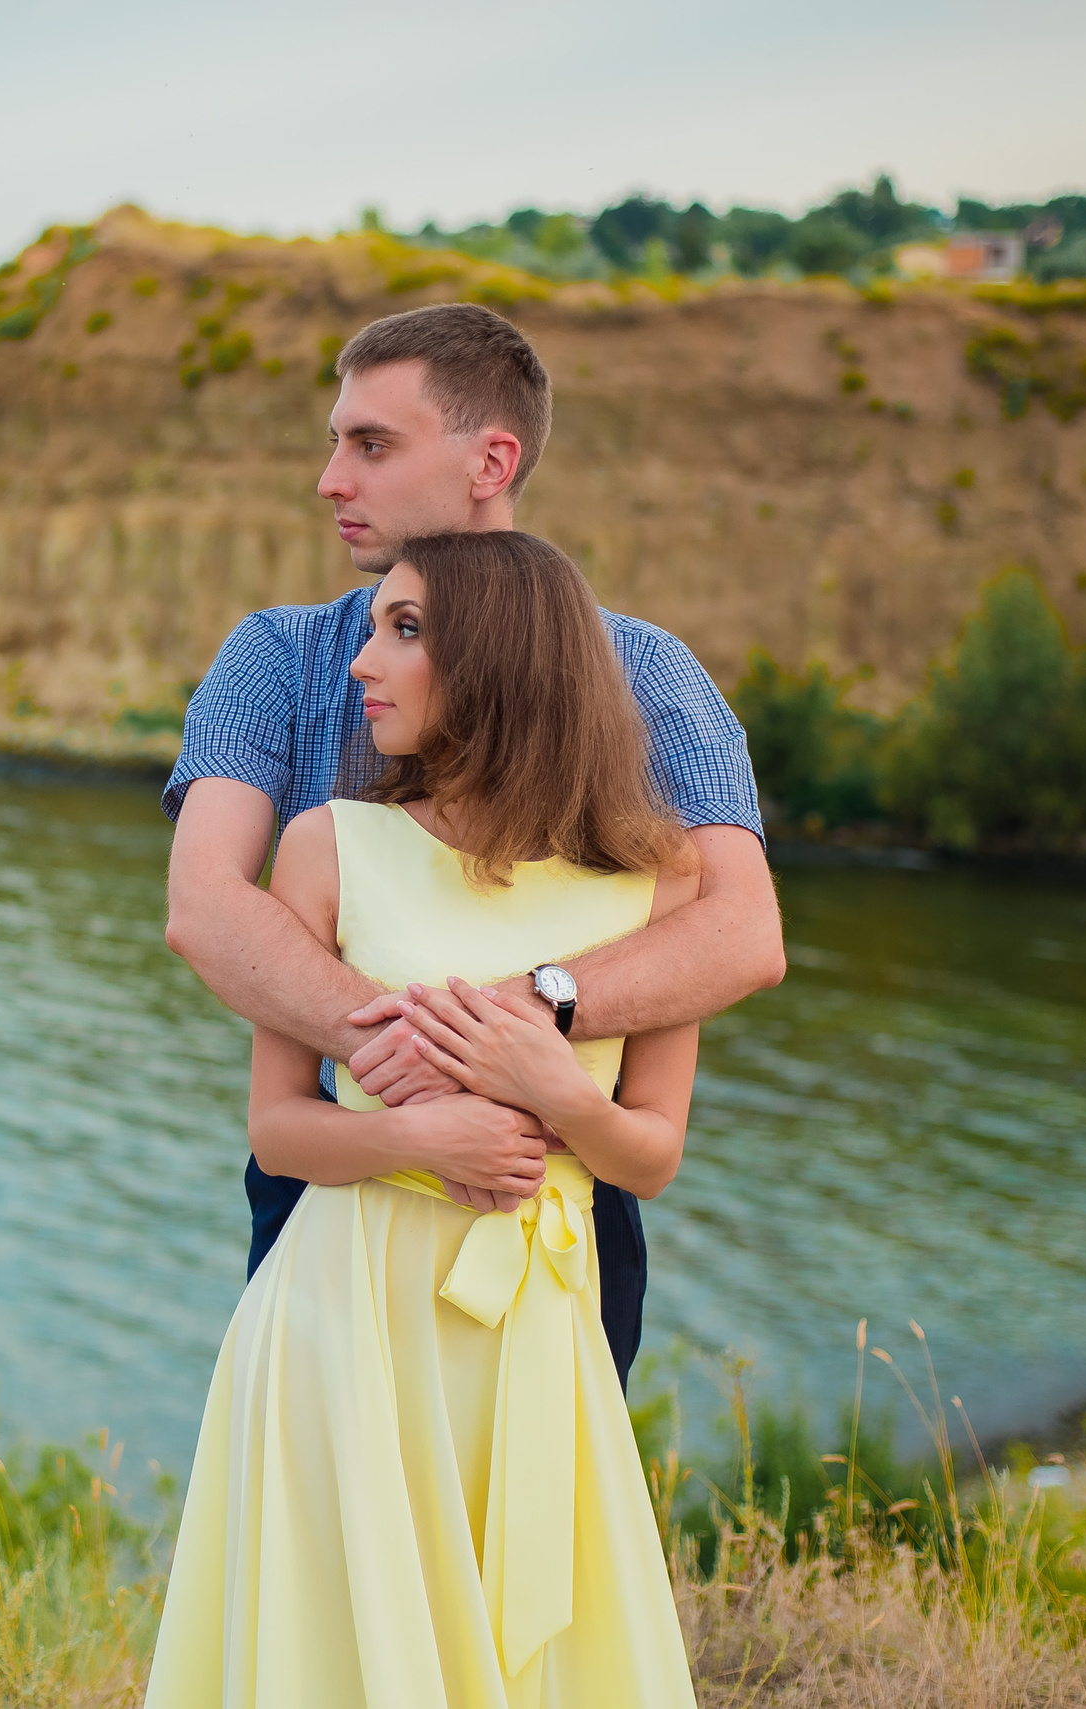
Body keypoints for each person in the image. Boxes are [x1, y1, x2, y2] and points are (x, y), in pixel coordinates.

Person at [161, 302, 784, 1387]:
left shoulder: (647, 674)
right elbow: (204, 908)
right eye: (334, 442)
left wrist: (521, 1018)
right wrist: (417, 1069)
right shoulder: (278, 655)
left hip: (556, 1179)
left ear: (491, 461)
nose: (331, 479)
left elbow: (742, 932)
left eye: (372, 444)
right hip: (336, 1175)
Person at [144, 531, 703, 1706]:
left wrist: (554, 1086)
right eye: (372, 627)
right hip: (346, 1308)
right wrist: (414, 1139)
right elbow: (278, 1128)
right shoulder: (327, 845)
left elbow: (650, 1155)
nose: (363, 661)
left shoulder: (658, 883)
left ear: (498, 660)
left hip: (538, 1323)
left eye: (404, 630)